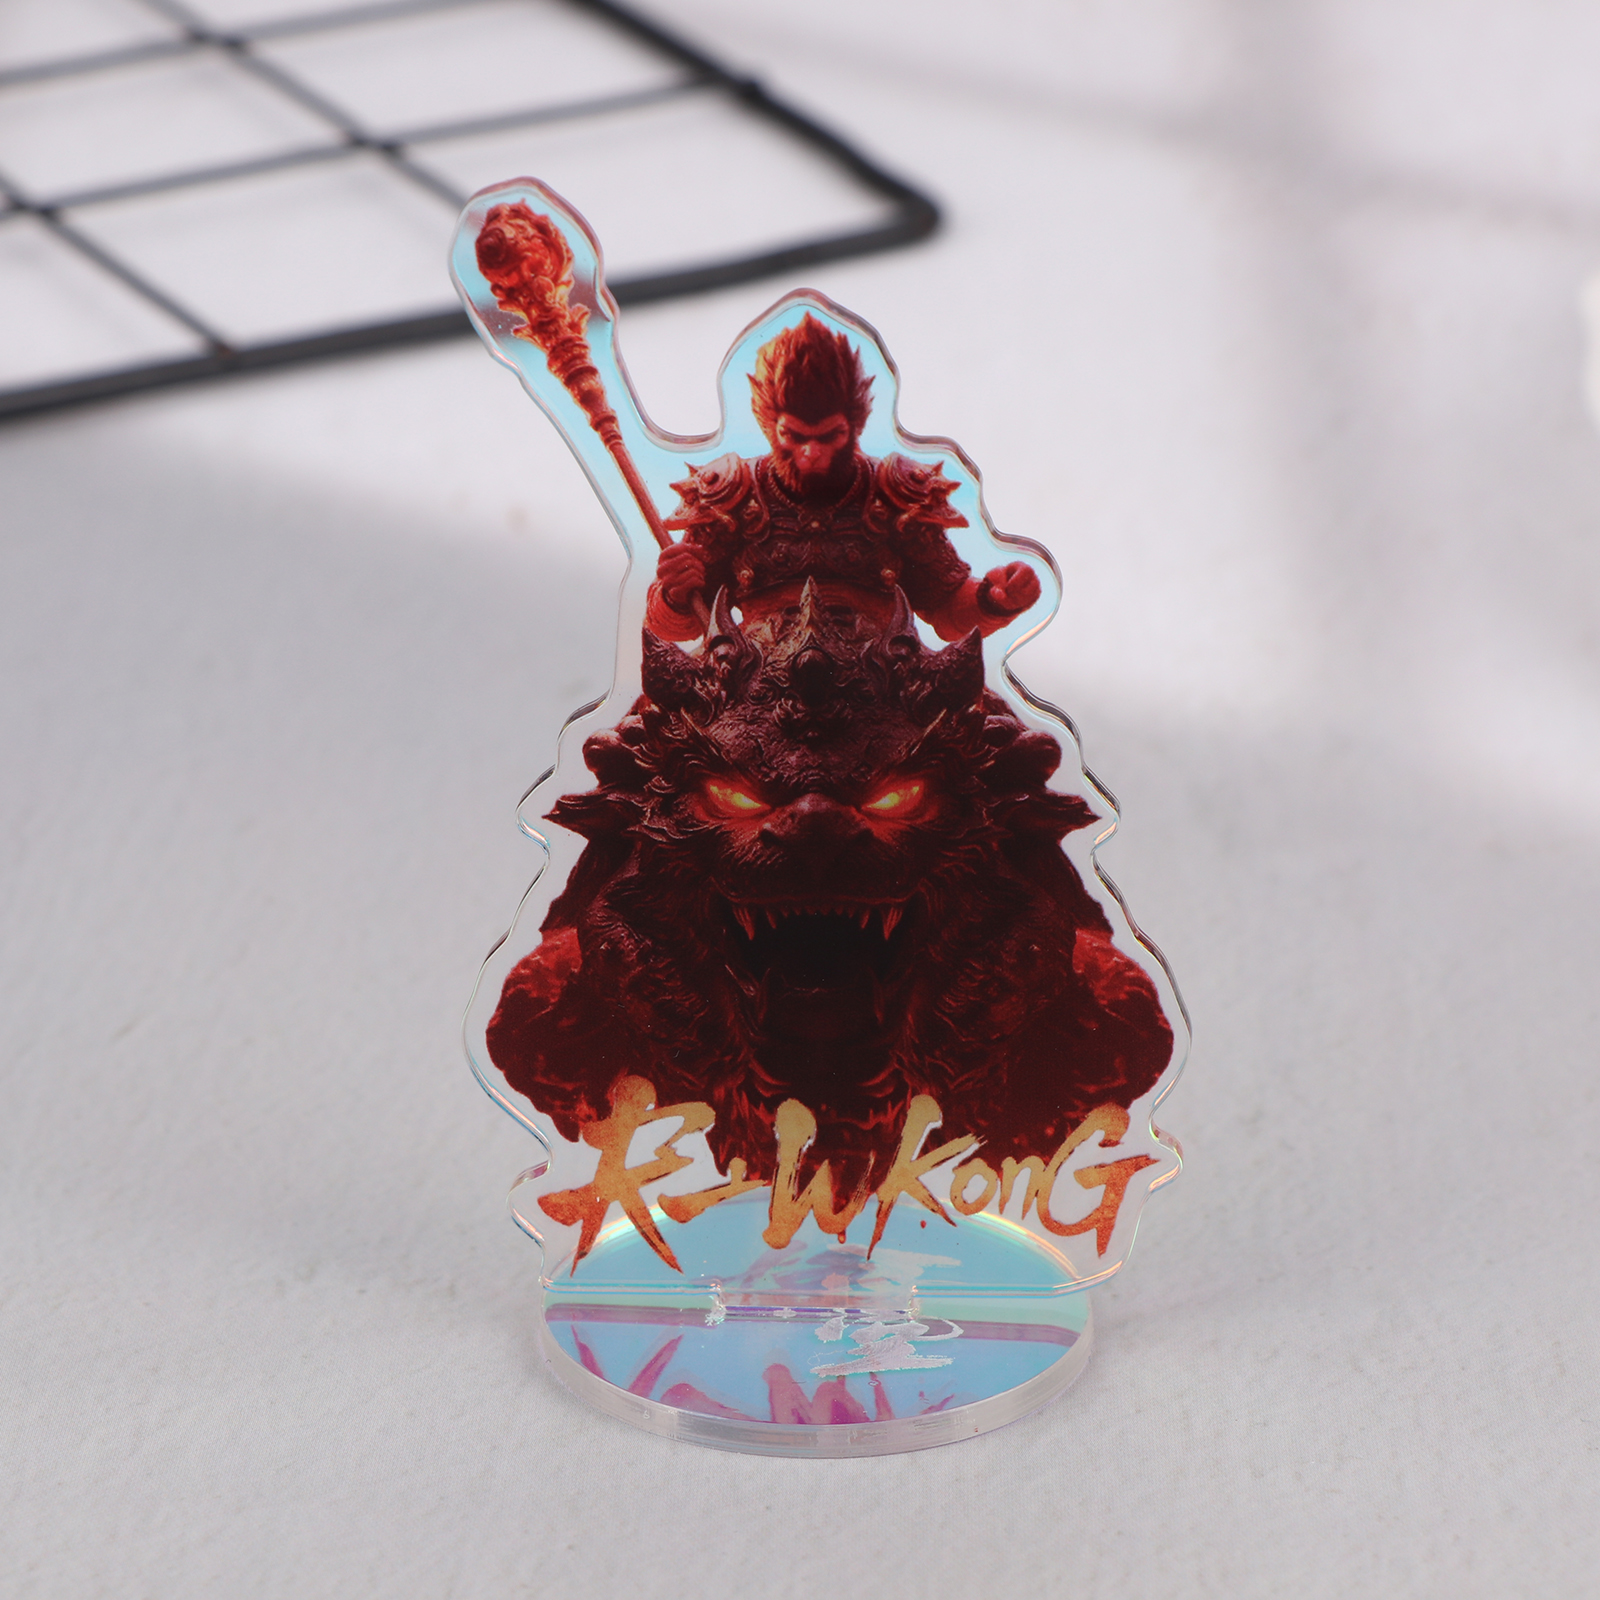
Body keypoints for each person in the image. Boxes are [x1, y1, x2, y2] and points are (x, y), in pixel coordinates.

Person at [645, 315, 1041, 642]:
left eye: (829, 436)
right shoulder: (729, 496)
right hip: (756, 687)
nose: (811, 454)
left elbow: (948, 611)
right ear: (769, 424)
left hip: (883, 686)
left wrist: (994, 599)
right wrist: (675, 593)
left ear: (855, 425)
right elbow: (677, 626)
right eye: (794, 436)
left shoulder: (900, 495)